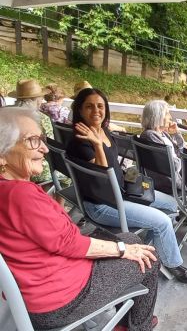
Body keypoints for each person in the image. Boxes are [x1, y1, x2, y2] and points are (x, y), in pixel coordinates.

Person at [0, 107, 159, 331]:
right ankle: (139, 327)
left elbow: (52, 237)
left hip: (41, 287)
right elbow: (69, 243)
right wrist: (123, 250)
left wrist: (125, 245)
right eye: (33, 140)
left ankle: (128, 321)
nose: (45, 148)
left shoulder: (7, 189)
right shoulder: (20, 195)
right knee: (150, 257)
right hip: (61, 300)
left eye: (42, 139)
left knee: (131, 238)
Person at [66, 88, 187, 284]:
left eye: (100, 106)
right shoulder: (82, 140)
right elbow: (103, 174)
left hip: (121, 191)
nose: (96, 111)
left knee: (172, 205)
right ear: (80, 110)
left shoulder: (102, 130)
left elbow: (114, 165)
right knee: (163, 222)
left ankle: (150, 247)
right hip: (103, 205)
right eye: (89, 106)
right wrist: (98, 145)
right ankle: (172, 263)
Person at [8, 79, 54, 185]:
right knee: (67, 178)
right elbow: (49, 146)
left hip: (8, 166)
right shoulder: (42, 118)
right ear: (36, 99)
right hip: (33, 165)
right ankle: (51, 201)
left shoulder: (5, 115)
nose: (42, 100)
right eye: (41, 97)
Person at [140, 100, 184, 194]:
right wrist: (183, 160)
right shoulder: (150, 136)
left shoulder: (162, 134)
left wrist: (176, 134)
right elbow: (173, 165)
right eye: (167, 113)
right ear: (158, 116)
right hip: (169, 185)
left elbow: (181, 152)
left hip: (176, 177)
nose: (170, 117)